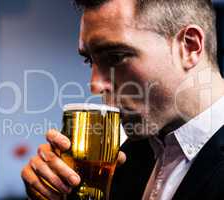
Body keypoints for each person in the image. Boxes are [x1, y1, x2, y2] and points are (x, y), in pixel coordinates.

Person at [21, 0, 224, 199]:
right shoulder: (126, 160)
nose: (95, 86)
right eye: (89, 60)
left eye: (116, 57)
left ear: (188, 46)